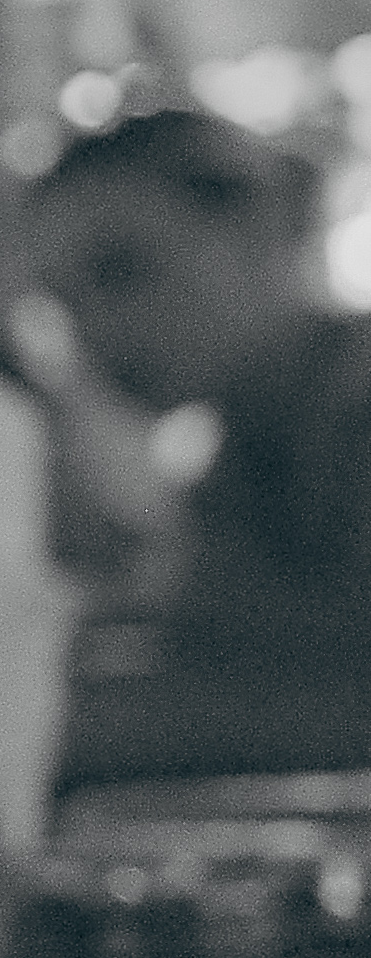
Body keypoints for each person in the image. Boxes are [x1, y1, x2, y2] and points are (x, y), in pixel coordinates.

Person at [26, 109, 371, 781]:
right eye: (65, 303)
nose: (93, 328)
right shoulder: (230, 468)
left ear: (258, 226)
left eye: (119, 272)